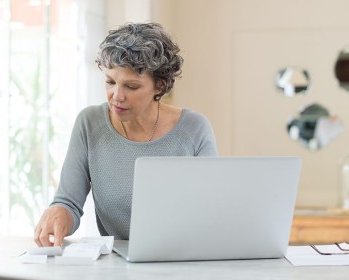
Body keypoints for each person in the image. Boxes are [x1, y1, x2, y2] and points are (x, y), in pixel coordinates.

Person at [34, 22, 218, 247]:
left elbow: (210, 211)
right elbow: (69, 203)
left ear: (159, 86)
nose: (116, 96)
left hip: (184, 259)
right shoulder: (89, 123)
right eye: (110, 82)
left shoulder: (194, 129)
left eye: (131, 87)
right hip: (117, 266)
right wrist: (59, 212)